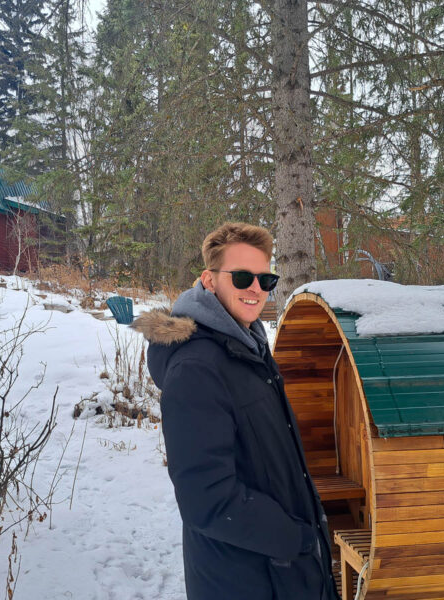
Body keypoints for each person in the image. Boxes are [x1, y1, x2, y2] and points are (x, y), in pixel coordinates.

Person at [132, 222, 339, 600]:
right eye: (242, 277)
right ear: (209, 281)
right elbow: (207, 499)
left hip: (284, 574)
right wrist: (296, 539)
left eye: (266, 279)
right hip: (247, 579)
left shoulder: (248, 347)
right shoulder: (197, 368)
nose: (256, 289)